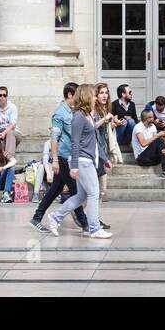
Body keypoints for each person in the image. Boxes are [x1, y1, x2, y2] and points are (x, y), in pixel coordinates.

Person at [46, 84, 112, 239]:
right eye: (93, 95)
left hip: (88, 159)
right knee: (94, 193)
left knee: (81, 196)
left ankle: (55, 217)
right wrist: (74, 166)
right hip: (82, 161)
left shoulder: (88, 115)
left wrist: (104, 158)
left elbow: (92, 136)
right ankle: (95, 228)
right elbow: (75, 143)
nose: (96, 97)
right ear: (86, 96)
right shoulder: (78, 117)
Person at [30, 82, 90, 233]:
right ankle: (84, 223)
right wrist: (55, 160)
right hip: (63, 157)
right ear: (70, 95)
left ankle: (36, 217)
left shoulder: (72, 111)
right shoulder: (59, 113)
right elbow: (54, 138)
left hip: (69, 156)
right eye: (77, 95)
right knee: (76, 192)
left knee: (55, 190)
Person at [132, 108, 165, 177]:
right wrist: (158, 135)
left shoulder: (152, 126)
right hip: (142, 159)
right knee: (159, 139)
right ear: (146, 118)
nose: (154, 118)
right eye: (152, 117)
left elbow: (156, 143)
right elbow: (143, 144)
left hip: (153, 158)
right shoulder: (138, 127)